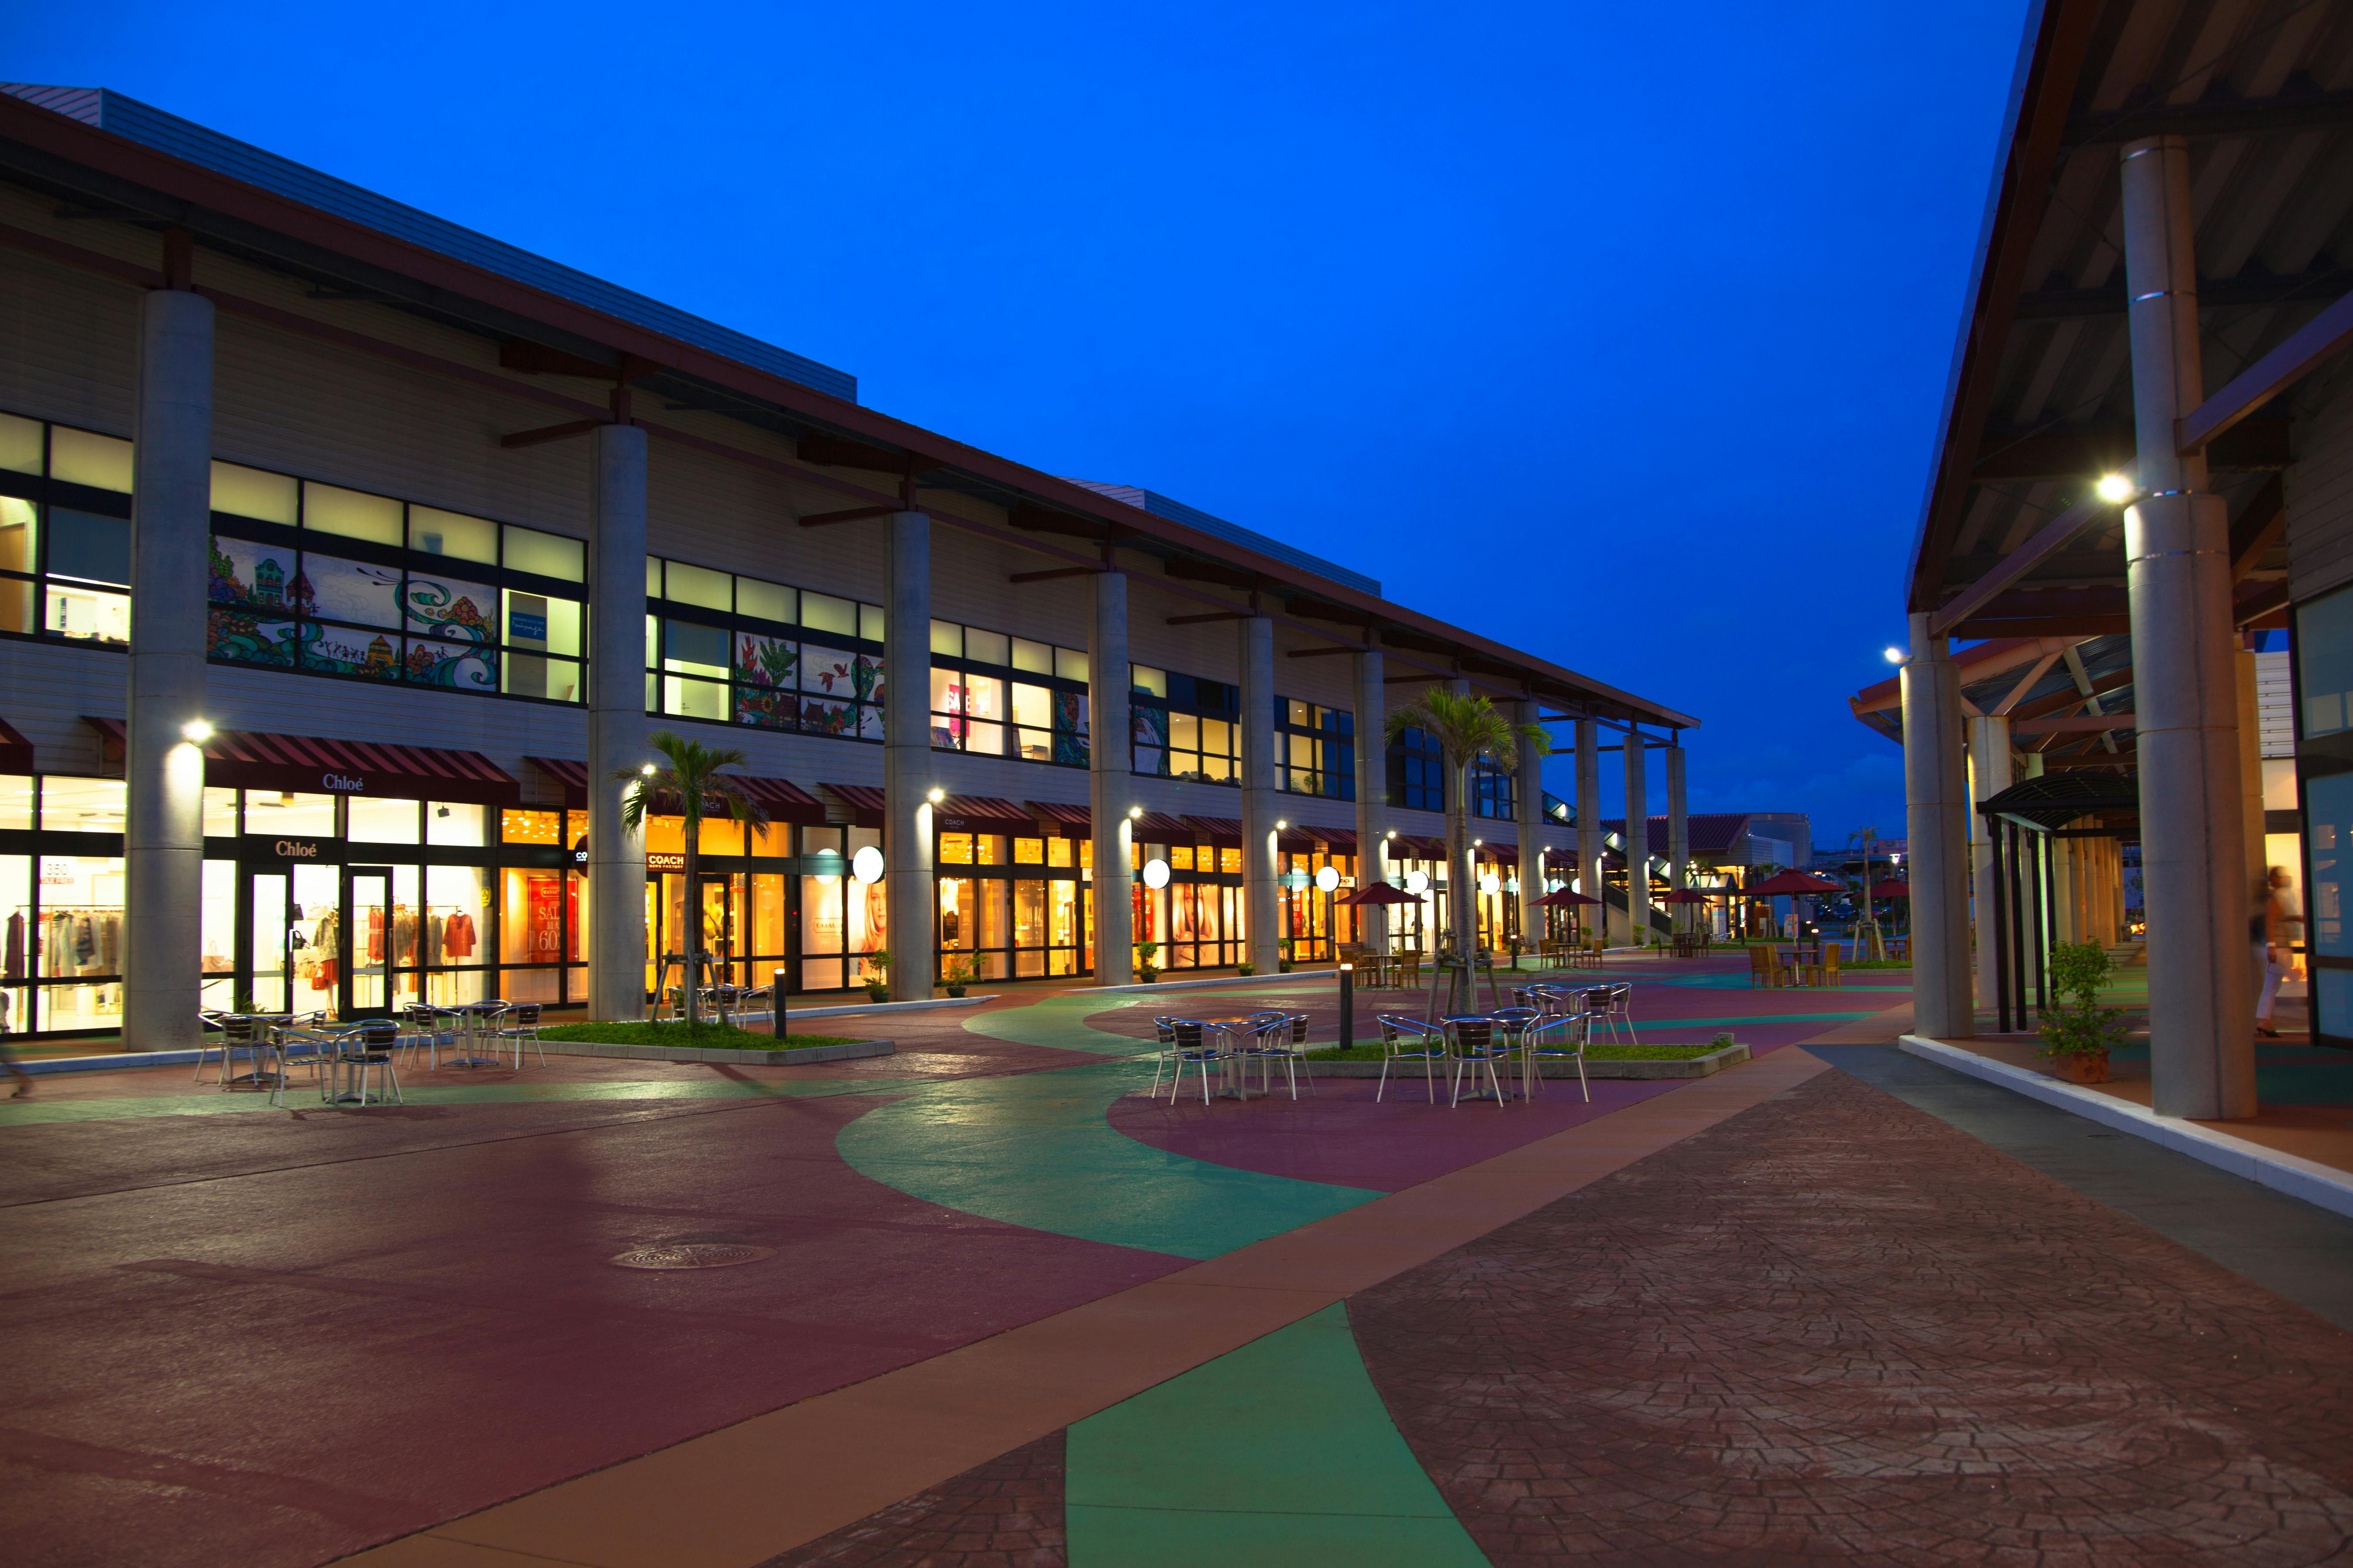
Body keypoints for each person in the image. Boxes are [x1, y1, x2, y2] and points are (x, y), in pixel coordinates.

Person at [2255, 865, 2302, 1039]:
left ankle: (2263, 1022)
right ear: (2274, 880)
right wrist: (2272, 946)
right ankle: (2263, 1022)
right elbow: (2271, 921)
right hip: (2279, 948)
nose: (2285, 879)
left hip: (2279, 948)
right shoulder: (2275, 899)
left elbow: (2276, 919)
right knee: (2289, 978)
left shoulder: (2277, 899)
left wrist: (2294, 918)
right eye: (2281, 877)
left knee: (2272, 987)